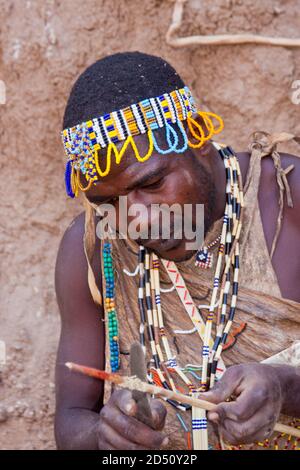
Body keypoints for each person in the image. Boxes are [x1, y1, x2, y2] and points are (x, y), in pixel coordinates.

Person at [55, 51, 300, 450]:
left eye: (152, 185)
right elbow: (70, 420)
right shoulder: (91, 250)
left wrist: (285, 387)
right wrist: (103, 435)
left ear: (199, 139)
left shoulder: (289, 202)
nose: (137, 220)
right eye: (107, 202)